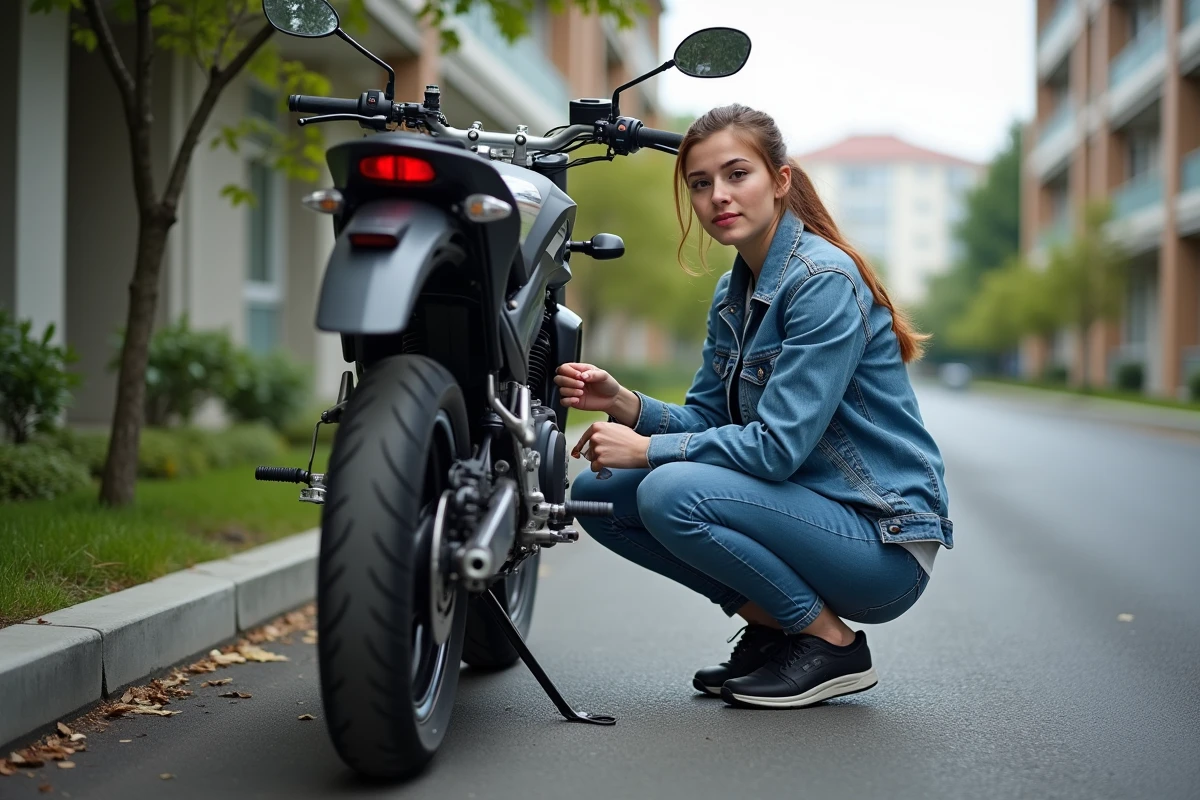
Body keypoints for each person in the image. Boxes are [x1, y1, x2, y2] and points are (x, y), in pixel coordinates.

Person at [557, 104, 953, 710]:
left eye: (737, 174)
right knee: (600, 496)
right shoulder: (733, 292)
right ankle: (776, 630)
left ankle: (830, 645)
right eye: (700, 183)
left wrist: (649, 450)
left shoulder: (821, 280)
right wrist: (627, 405)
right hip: (806, 515)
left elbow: (775, 449)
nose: (718, 195)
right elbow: (713, 422)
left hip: (880, 544)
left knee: (669, 490)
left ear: (780, 180)